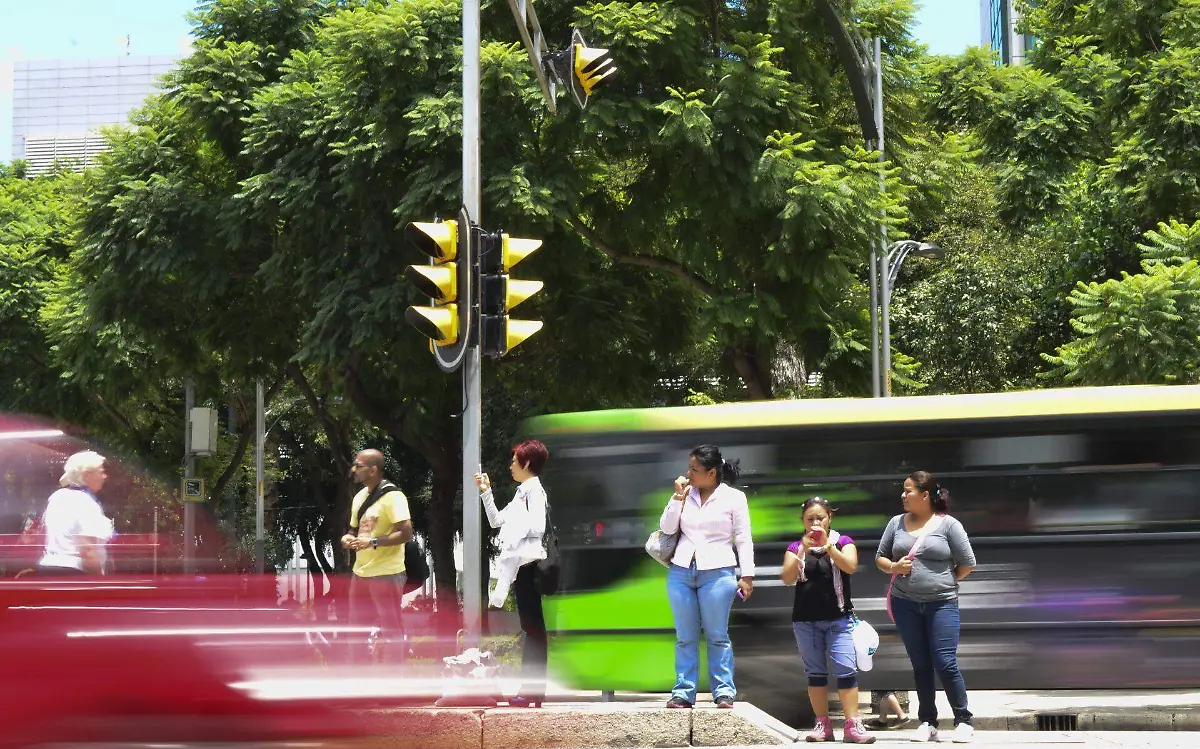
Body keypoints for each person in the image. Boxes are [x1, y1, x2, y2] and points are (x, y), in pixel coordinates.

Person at [875, 471, 977, 743]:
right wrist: (895, 567)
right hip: (905, 603)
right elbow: (880, 558)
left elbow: (967, 563)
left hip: (942, 604)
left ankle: (963, 719)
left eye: (908, 490)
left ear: (925, 495)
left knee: (945, 663)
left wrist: (942, 581)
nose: (903, 495)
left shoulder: (948, 525)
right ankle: (928, 722)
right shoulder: (896, 523)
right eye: (903, 490)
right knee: (920, 665)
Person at [659, 444, 754, 709]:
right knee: (685, 636)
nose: (688, 474)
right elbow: (666, 527)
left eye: (694, 470)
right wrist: (677, 498)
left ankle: (723, 692)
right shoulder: (685, 494)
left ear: (711, 472)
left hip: (718, 572)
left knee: (717, 636)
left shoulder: (734, 498)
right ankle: (683, 692)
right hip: (681, 571)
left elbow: (744, 537)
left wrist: (747, 575)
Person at [782, 496, 874, 744]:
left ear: (829, 518)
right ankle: (822, 725)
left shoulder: (843, 542)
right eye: (810, 519)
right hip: (805, 621)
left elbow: (851, 566)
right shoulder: (795, 547)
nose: (815, 523)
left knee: (846, 671)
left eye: (820, 518)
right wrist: (802, 548)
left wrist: (828, 546)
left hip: (839, 620)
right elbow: (787, 577)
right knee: (815, 674)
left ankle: (853, 726)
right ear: (803, 521)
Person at [475, 439, 551, 708]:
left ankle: (532, 690)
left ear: (526, 463)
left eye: (514, 460)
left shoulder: (534, 491)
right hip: (521, 566)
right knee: (531, 629)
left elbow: (537, 527)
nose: (510, 465)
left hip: (529, 565)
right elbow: (496, 521)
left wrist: (514, 530)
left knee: (534, 630)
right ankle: (532, 692)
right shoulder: (522, 493)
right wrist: (486, 492)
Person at [340, 449, 413, 665]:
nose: (354, 470)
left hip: (387, 573)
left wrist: (372, 542)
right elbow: (354, 529)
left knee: (390, 631)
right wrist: (348, 537)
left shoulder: (393, 497)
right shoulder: (359, 497)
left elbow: (406, 533)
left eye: (358, 466)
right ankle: (362, 686)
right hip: (360, 572)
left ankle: (392, 688)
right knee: (357, 632)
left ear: (373, 470)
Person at [38, 450, 114, 576]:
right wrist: (99, 583)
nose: (104, 476)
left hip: (47, 569)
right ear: (87, 475)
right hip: (73, 573)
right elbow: (88, 551)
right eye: (100, 472)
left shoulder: (57, 497)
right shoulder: (85, 503)